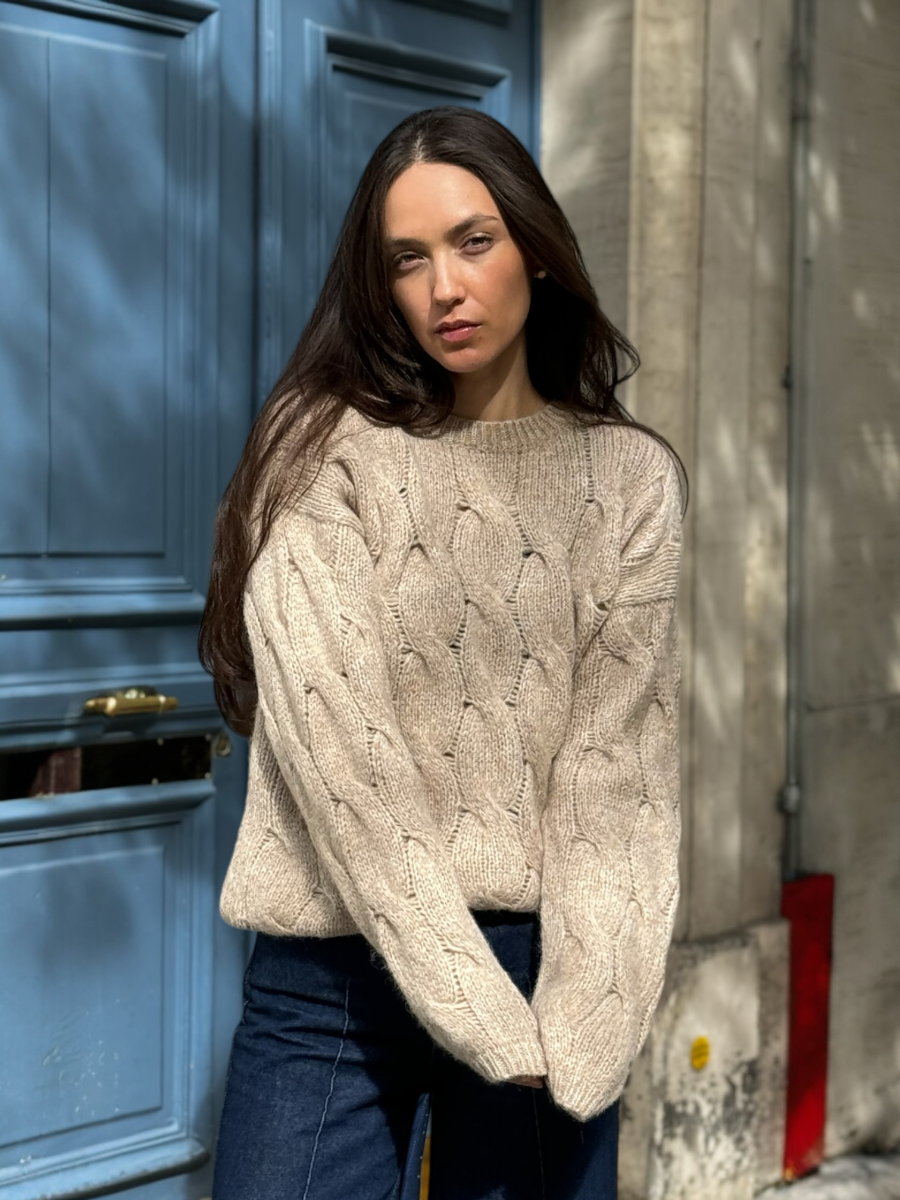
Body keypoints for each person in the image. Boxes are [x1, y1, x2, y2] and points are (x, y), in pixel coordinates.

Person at [199, 106, 686, 1200]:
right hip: (334, 978)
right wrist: (464, 999)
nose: (444, 289)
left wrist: (591, 1014)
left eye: (474, 241)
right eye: (406, 262)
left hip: (539, 966)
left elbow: (618, 773)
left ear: (538, 250)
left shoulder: (629, 481)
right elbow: (344, 756)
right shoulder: (320, 446)